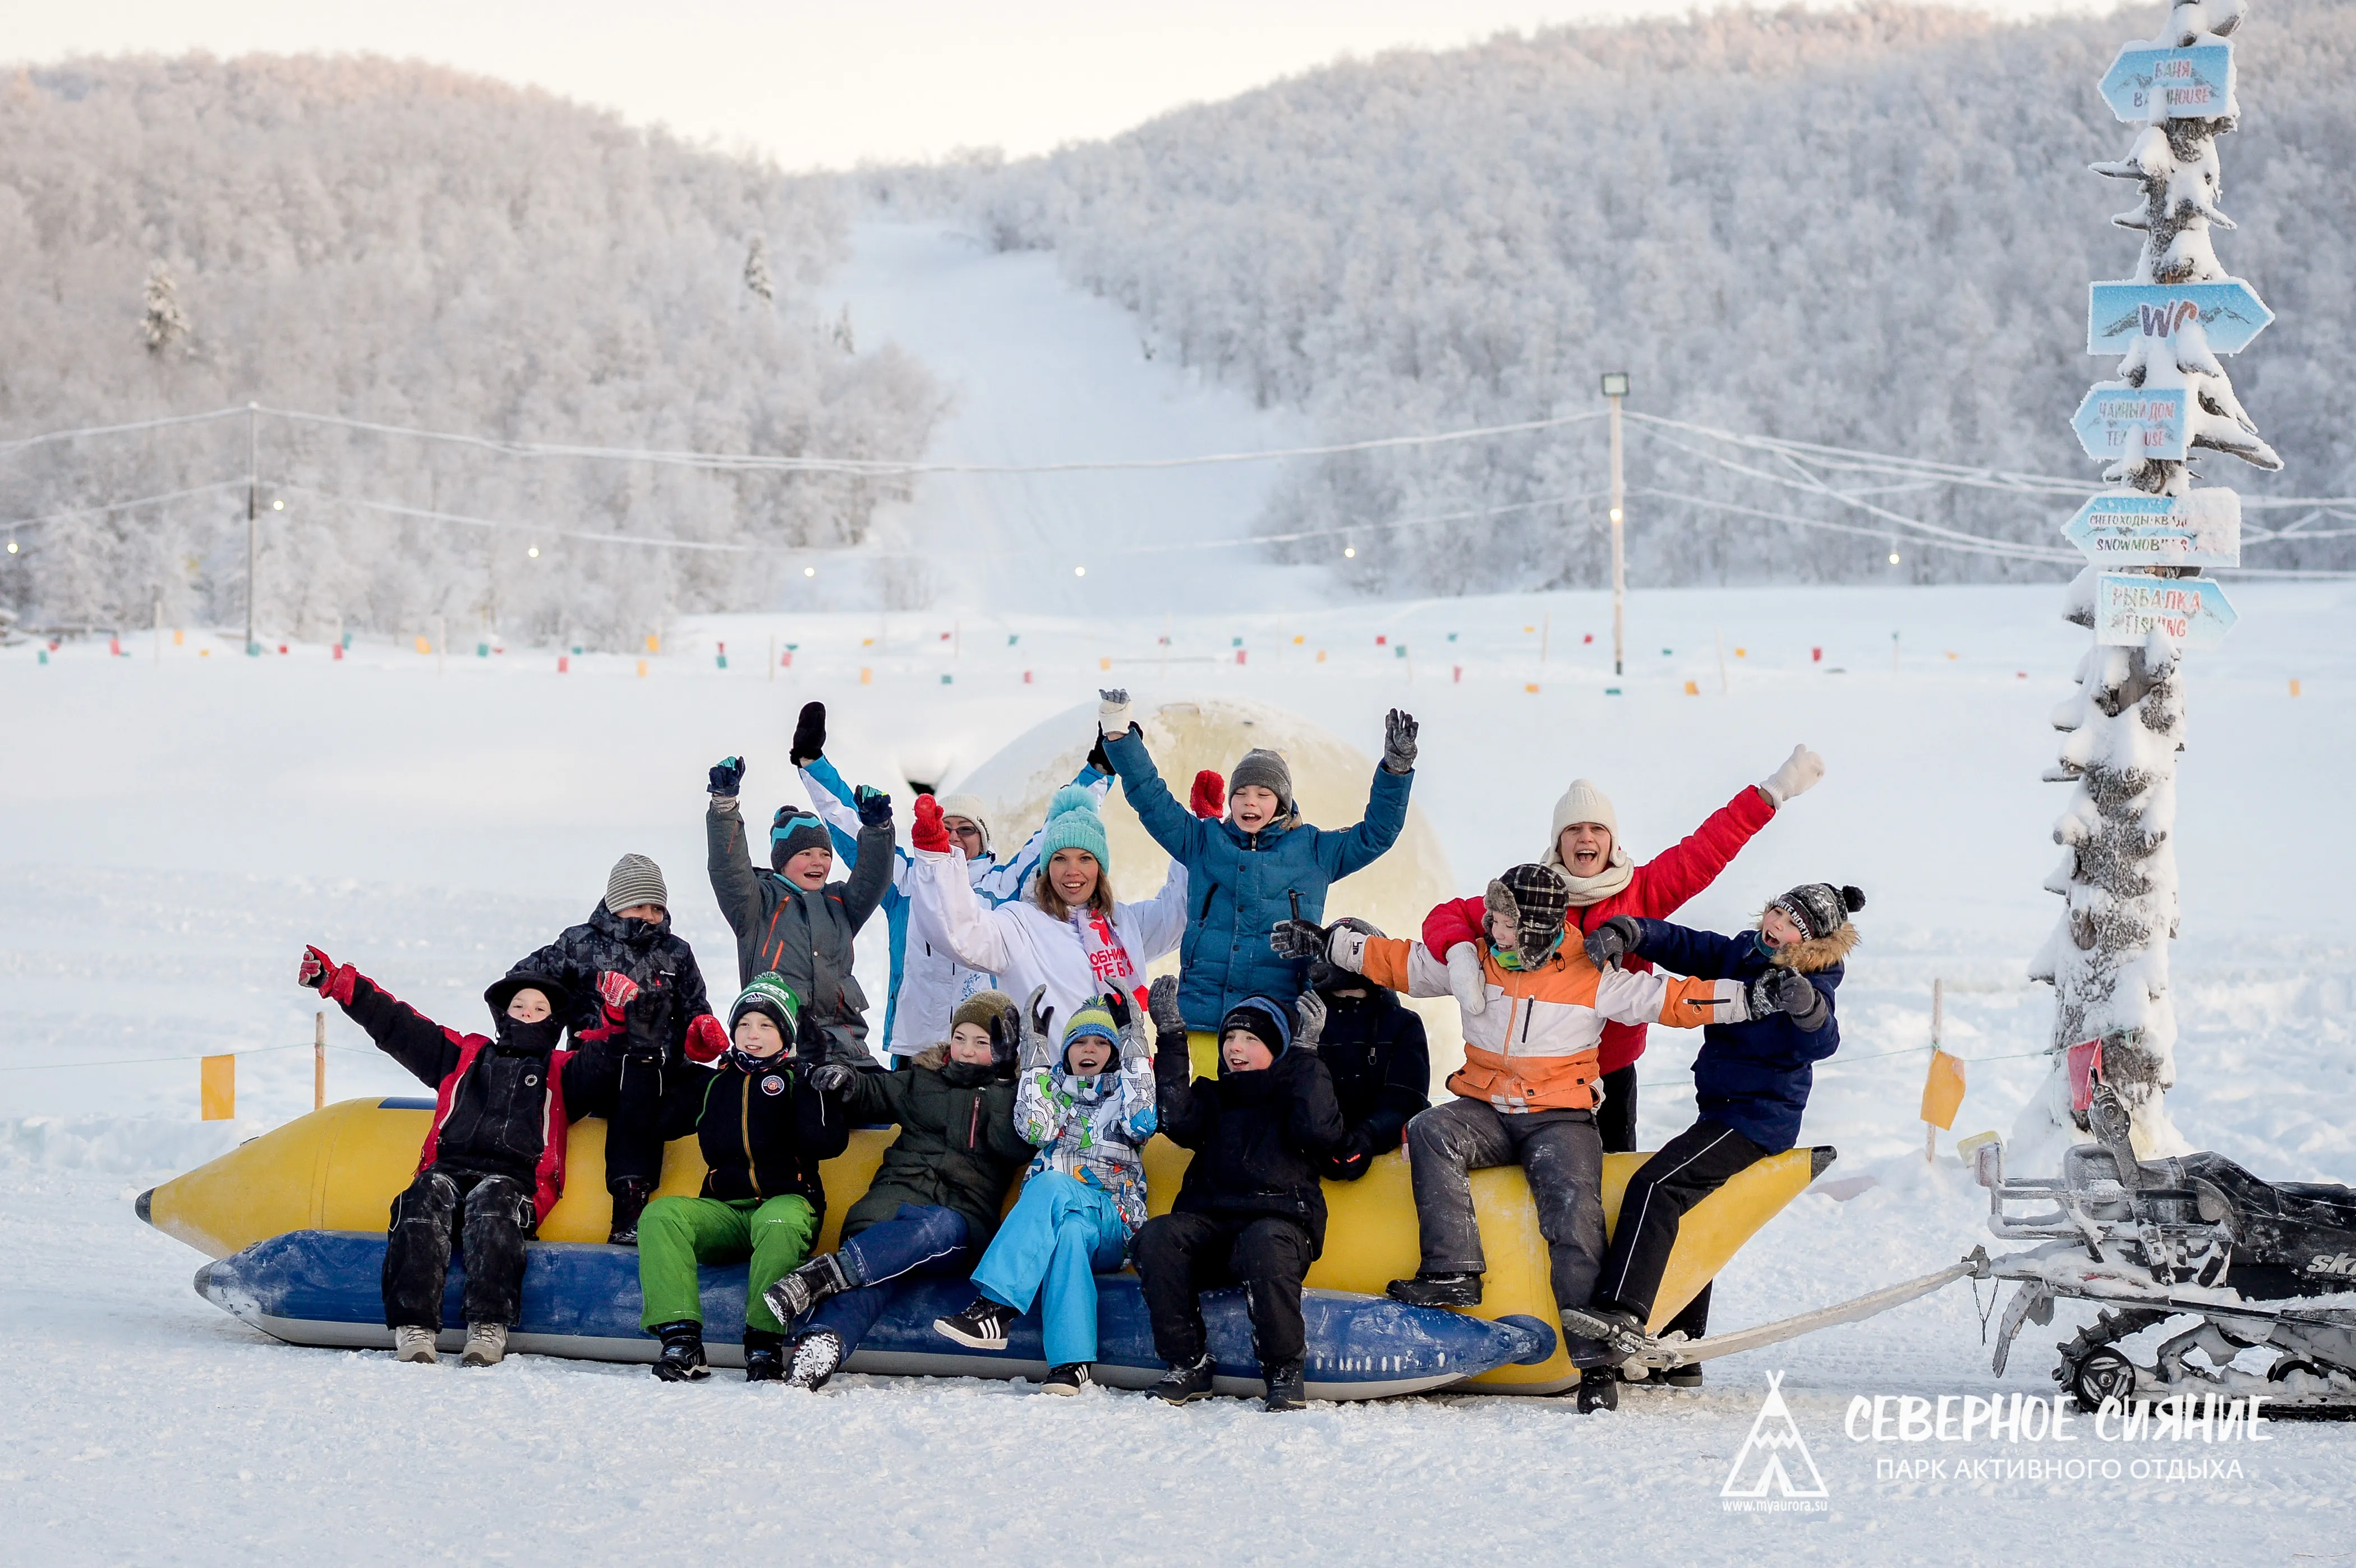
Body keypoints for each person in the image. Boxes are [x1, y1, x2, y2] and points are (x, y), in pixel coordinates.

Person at [1277, 863, 1750, 1413]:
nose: (1491, 927)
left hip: (1559, 1117)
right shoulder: (1476, 959)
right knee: (1433, 1129)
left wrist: (1750, 1001)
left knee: (1571, 1214)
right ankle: (1454, 1269)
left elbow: (1673, 998)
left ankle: (1595, 1362)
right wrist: (1330, 943)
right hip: (1486, 1107)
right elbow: (1400, 961)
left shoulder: (1591, 973)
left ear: (1536, 926)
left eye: (1503, 921)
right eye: (1493, 917)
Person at [1416, 748, 1825, 1162]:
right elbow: (1446, 915)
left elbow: (1705, 851)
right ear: (1559, 841)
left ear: (1611, 841)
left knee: (1610, 1167)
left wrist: (1771, 793)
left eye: (1597, 828)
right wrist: (1460, 952)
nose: (1586, 837)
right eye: (1574, 828)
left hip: (1611, 1068)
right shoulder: (1531, 894)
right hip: (1533, 1075)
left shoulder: (1641, 891)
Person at [1562, 883, 1860, 1383]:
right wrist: (1632, 931)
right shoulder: (1744, 951)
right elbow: (1687, 945)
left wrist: (1808, 1008)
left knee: (1657, 1187)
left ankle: (1623, 1313)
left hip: (1755, 1121)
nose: (1775, 923)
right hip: (1719, 1112)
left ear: (1805, 940)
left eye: (1789, 923)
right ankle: (1684, 1347)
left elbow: (1826, 1038)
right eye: (1775, 911)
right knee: (1691, 1210)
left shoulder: (1809, 977)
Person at [296, 945, 602, 1368]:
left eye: (538, 1007)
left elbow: (605, 1066)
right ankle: (415, 1326)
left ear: (552, 1019)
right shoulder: (465, 1055)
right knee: (423, 1193)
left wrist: (625, 1020)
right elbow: (399, 1025)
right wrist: (340, 983)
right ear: (503, 1013)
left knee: (494, 1198)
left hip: (515, 1185)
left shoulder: (563, 1070)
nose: (527, 1012)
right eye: (518, 1005)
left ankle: (489, 1325)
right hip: (450, 1170)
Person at [781, 699, 1114, 1063]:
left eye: (967, 829)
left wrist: (1099, 771)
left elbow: (1059, 827)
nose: (954, 837)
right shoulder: (908, 881)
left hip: (987, 1047)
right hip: (917, 1047)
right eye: (946, 828)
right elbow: (853, 827)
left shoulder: (1005, 886)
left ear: (984, 840)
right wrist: (813, 763)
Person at [757, 991, 1035, 1390]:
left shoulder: (1017, 1097)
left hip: (957, 1222)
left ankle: (822, 1276)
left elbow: (1013, 1144)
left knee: (931, 1227)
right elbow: (872, 1093)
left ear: (1005, 1047)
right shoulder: (922, 1079)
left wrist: (1007, 1080)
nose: (968, 1051)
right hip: (888, 1210)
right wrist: (843, 1077)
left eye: (983, 1042)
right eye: (961, 1038)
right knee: (878, 1271)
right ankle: (820, 1345)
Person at [1097, 688, 1416, 1031]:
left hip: (1274, 1023)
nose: (1251, 803)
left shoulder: (1314, 851)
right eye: (1241, 794)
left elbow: (1376, 835)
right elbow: (1152, 800)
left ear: (1281, 802)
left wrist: (1395, 775)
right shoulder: (1203, 842)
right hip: (1204, 1016)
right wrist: (1118, 733)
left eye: (1263, 795)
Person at [930, 991, 1157, 1395]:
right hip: (1066, 1222)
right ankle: (1072, 1364)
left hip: (1113, 1221)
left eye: (1101, 1042)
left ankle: (996, 1306)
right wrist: (1033, 1052)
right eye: (1079, 1042)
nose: (1089, 1049)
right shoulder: (1053, 1089)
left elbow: (1143, 1120)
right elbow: (1035, 1130)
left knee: (1050, 1183)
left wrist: (1134, 1039)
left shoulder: (1125, 1092)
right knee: (1068, 1231)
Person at [1135, 979, 1345, 1411]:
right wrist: (1172, 1036)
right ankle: (1188, 1364)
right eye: (1230, 1036)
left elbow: (1319, 1131)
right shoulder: (1213, 1095)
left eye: (1251, 1038)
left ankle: (1284, 1370)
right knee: (1158, 1237)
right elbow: (1175, 1119)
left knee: (1264, 1243)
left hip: (1279, 1224)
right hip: (1213, 1224)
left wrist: (1306, 1053)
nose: (1236, 1046)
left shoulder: (1295, 1091)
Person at [634, 973, 852, 1383]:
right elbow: (650, 1122)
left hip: (788, 1204)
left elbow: (825, 1142)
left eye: (766, 1026)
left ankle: (764, 1343)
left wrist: (812, 1075)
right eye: (744, 1025)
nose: (753, 1035)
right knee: (661, 1216)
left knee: (778, 1219)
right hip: (726, 1211)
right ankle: (682, 1341)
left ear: (785, 1034)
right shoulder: (714, 1082)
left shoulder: (797, 1077)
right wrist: (652, 1052)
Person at [515, 854, 727, 1244]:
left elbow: (695, 1004)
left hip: (664, 1068)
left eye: (657, 906)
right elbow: (524, 983)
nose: (649, 914)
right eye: (640, 905)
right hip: (599, 1065)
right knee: (636, 1083)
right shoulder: (578, 943)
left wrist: (701, 1027)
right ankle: (630, 1205)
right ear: (615, 903)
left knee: (719, 1085)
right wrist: (538, 1028)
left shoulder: (677, 952)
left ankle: (729, 1186)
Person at [909, 783, 1187, 1027]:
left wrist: (1200, 841)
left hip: (1124, 1082)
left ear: (1100, 869)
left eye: (1085, 859)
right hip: (1049, 1085)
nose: (1072, 871)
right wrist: (934, 858)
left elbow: (1179, 912)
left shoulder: (1123, 923)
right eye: (1060, 859)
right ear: (1045, 869)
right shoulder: (1020, 925)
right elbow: (960, 932)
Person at [705, 755, 894, 1065]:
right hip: (782, 1052)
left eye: (824, 853)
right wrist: (724, 807)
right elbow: (729, 870)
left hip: (847, 1052)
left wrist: (878, 829)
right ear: (782, 860)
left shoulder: (840, 904)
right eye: (805, 853)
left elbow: (874, 877)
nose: (818, 862)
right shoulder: (756, 905)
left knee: (885, 1106)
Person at [1302, 918, 1429, 1181]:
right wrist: (1320, 1136)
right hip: (1307, 1149)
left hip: (1377, 1149)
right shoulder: (1303, 1017)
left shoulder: (1402, 1024)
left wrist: (1368, 1136)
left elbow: (1407, 1100)